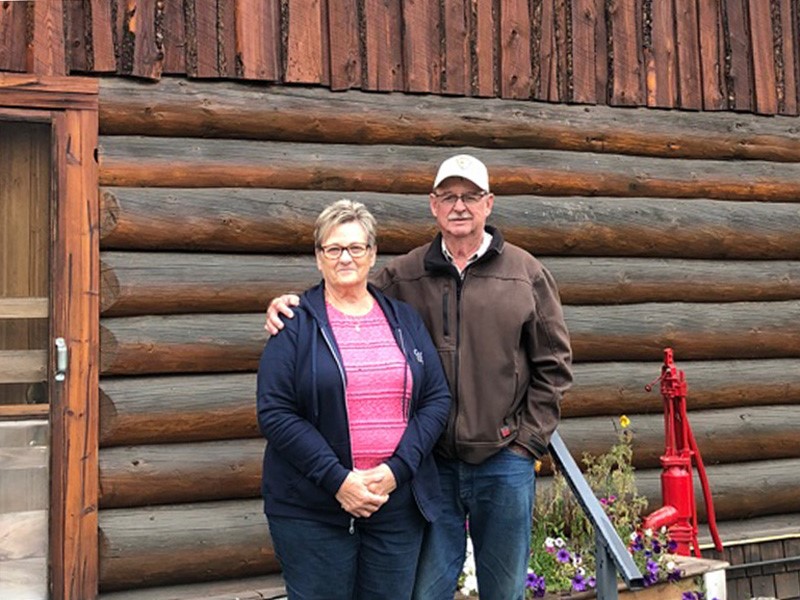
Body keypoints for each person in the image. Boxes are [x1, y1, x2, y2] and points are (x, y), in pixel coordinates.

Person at [265, 155, 573, 600]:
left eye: (470, 196)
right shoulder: (404, 274)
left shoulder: (525, 273)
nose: (459, 206)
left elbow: (554, 364)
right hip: (432, 469)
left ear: (489, 203)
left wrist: (528, 442)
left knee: (504, 590)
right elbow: (344, 293)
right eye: (448, 196)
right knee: (425, 591)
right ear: (433, 205)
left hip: (503, 460)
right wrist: (285, 305)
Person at [257, 199, 451, 600]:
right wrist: (338, 480)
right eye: (334, 248)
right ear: (318, 257)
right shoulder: (295, 324)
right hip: (314, 510)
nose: (345, 257)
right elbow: (274, 413)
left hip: (394, 505)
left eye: (356, 247)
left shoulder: (404, 320)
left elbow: (436, 399)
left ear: (372, 254)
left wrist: (398, 469)